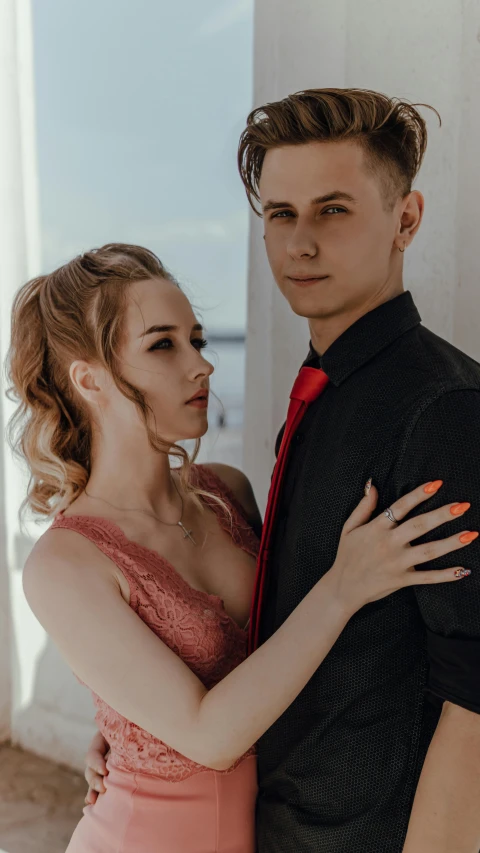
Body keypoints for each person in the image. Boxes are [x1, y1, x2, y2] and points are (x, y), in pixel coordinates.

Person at [86, 89, 480, 853]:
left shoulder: (445, 407)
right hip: (278, 820)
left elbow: (474, 692)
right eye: (280, 213)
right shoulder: (322, 388)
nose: (299, 243)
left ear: (406, 219)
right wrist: (133, 728)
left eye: (333, 210)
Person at [9, 244, 473, 853]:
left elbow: (273, 656)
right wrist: (345, 584)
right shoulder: (63, 564)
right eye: (162, 345)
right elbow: (209, 736)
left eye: (196, 340)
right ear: (89, 379)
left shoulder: (228, 492)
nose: (201, 366)